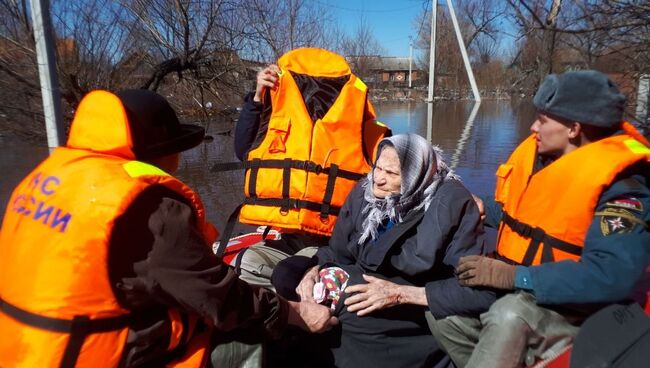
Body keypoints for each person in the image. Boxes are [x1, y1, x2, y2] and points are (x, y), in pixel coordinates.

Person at [0, 89, 337, 367]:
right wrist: (294, 312)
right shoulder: (146, 206)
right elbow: (221, 298)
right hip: (89, 355)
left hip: (21, 349)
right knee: (248, 340)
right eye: (177, 150)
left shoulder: (47, 177)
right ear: (158, 154)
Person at [430, 70, 650, 368]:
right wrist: (483, 208)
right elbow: (532, 222)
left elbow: (611, 275)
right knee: (442, 314)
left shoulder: (624, 189)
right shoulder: (549, 158)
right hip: (533, 289)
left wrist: (515, 277)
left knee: (510, 313)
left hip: (584, 310)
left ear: (573, 128)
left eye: (543, 120)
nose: (533, 126)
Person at [274, 133, 496, 367]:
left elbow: (477, 290)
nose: (378, 179)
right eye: (377, 168)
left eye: (391, 173)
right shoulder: (365, 191)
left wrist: (399, 294)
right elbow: (338, 253)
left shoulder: (450, 203)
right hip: (367, 284)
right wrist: (311, 271)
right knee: (287, 275)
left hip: (413, 303)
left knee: (347, 298)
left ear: (416, 176)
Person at [222, 48, 390, 288]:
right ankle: (289, 311)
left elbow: (400, 173)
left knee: (289, 275)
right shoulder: (273, 113)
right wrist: (257, 99)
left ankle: (310, 309)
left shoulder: (363, 126)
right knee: (244, 262)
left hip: (336, 239)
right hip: (289, 234)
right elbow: (243, 151)